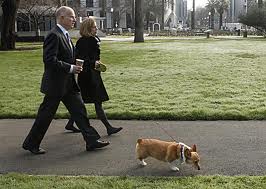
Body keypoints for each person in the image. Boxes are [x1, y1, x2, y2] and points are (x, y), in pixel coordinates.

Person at [22, 6, 110, 155]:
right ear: (61, 17)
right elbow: (49, 60)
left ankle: (92, 140)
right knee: (45, 115)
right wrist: (70, 68)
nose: (74, 19)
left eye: (74, 17)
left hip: (68, 84)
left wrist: (79, 64)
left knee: (80, 112)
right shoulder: (54, 35)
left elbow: (68, 56)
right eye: (71, 17)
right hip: (56, 85)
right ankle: (31, 143)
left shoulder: (66, 35)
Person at [65, 17, 122, 136]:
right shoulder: (90, 41)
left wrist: (96, 63)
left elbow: (83, 58)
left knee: (82, 102)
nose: (97, 28)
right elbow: (83, 59)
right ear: (89, 28)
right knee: (96, 101)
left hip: (88, 74)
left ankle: (70, 124)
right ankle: (108, 127)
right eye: (94, 27)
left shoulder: (83, 41)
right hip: (90, 76)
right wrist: (94, 63)